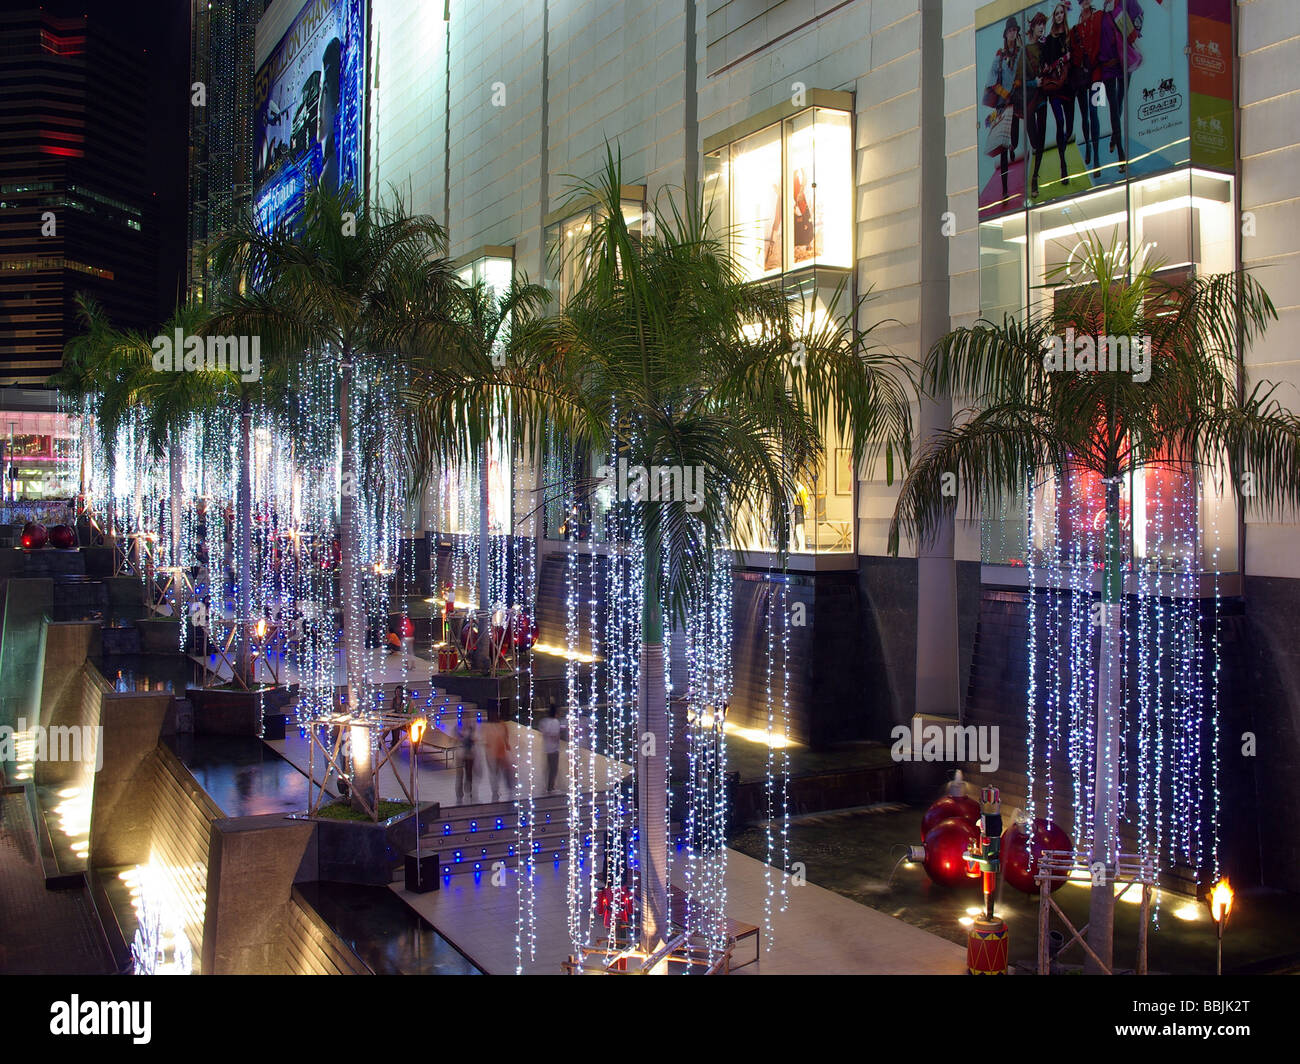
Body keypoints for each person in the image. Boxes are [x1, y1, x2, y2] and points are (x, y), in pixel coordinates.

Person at [983, 17, 1025, 204]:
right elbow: (991, 80)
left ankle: (1013, 147)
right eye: (1010, 31)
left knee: (1013, 139)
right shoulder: (999, 55)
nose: (1012, 33)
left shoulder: (1020, 53)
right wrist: (1003, 92)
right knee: (1002, 148)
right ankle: (1005, 190)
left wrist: (1016, 86)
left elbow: (1023, 72)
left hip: (1014, 101)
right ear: (1005, 34)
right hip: (1002, 103)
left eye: (1015, 30)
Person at [1070, 0, 1102, 174]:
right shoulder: (1075, 28)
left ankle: (1096, 156)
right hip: (1082, 77)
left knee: (1095, 111)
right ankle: (1088, 146)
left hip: (1098, 72)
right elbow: (1073, 55)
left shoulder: (1098, 17)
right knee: (1085, 116)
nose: (1085, 2)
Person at [482, 712, 515, 801]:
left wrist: (508, 748)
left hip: (501, 753)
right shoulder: (488, 727)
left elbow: (505, 738)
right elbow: (486, 742)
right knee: (495, 773)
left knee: (505, 771)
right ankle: (495, 790)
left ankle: (508, 788)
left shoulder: (502, 725)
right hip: (492, 754)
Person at [541, 703, 563, 793]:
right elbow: (555, 735)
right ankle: (550, 787)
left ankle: (549, 786)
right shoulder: (555, 722)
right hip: (554, 749)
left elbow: (543, 731)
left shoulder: (544, 721)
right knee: (553, 768)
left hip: (547, 748)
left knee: (549, 768)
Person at [455, 716, 476, 803]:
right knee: (459, 775)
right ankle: (459, 794)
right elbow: (456, 740)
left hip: (469, 754)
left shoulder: (471, 729)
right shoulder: (457, 729)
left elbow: (473, 740)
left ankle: (469, 791)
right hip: (460, 754)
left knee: (469, 774)